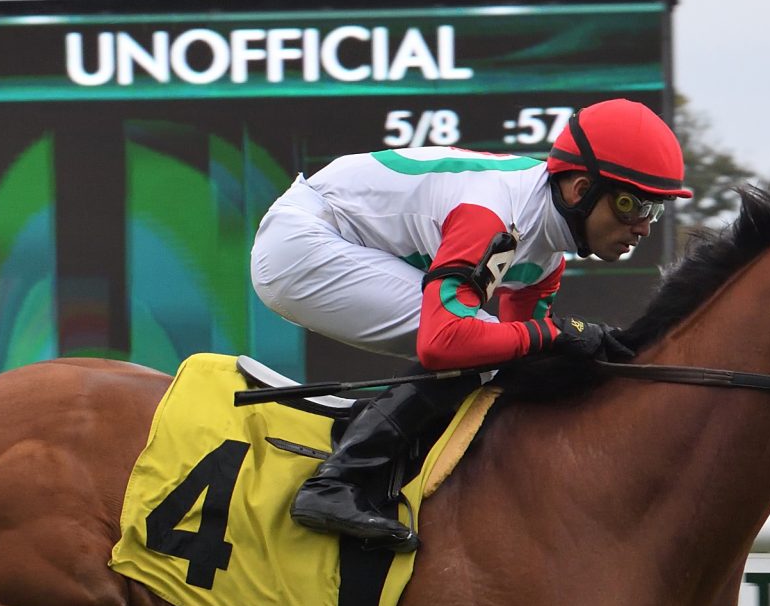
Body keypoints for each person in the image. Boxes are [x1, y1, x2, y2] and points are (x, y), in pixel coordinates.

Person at [249, 98, 693, 552]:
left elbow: (526, 364)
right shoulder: (493, 214)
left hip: (334, 235)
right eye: (630, 204)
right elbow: (446, 344)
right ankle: (337, 483)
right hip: (302, 245)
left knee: (500, 350)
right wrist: (558, 333)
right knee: (474, 340)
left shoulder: (547, 253)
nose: (642, 227)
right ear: (581, 190)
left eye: (653, 211)